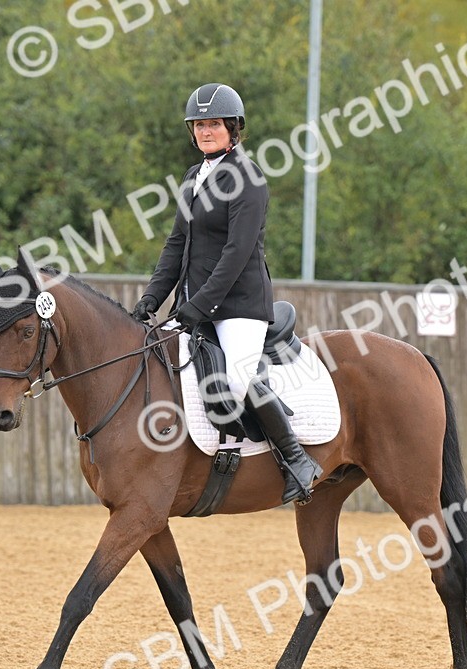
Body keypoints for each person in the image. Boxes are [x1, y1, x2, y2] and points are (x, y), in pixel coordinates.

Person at [131, 83, 323, 504]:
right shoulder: (192, 178)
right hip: (195, 305)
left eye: (213, 124)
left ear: (233, 128)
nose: (205, 131)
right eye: (199, 125)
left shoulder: (247, 178)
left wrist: (197, 308)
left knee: (237, 377)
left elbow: (236, 253)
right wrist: (150, 299)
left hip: (238, 307)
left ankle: (297, 460)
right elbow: (176, 244)